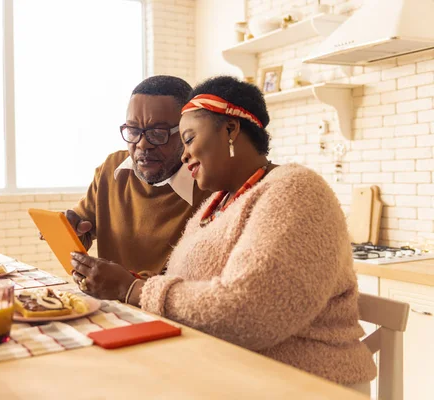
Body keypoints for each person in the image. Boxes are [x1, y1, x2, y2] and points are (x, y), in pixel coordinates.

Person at [70, 75, 377, 386]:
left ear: (230, 129)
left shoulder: (295, 190)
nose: (184, 155)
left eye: (188, 139)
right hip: (230, 371)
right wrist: (129, 283)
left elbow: (250, 314)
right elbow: (192, 289)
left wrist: (131, 290)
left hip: (303, 383)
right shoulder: (218, 203)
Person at [62, 75, 212, 278]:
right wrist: (73, 234)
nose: (142, 144)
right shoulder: (112, 169)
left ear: (187, 132)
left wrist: (125, 286)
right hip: (110, 306)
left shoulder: (210, 183)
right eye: (133, 131)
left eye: (158, 133)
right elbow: (84, 229)